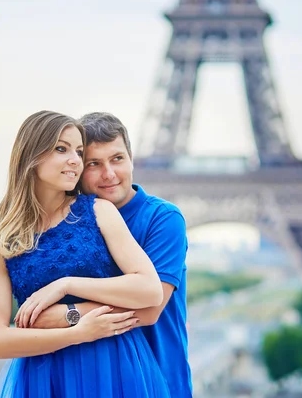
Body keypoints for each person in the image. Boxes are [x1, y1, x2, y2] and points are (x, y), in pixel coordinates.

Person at [0, 110, 171, 397]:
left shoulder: (98, 211)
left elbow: (150, 290)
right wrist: (76, 333)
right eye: (61, 149)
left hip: (114, 366)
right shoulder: (2, 240)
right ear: (31, 157)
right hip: (46, 377)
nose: (75, 160)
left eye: (79, 151)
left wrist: (65, 285)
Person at [30, 112, 193, 397]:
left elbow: (149, 309)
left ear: (131, 158)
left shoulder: (163, 219)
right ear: (78, 169)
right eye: (94, 164)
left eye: (117, 159)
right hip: (87, 382)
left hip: (156, 379)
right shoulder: (65, 225)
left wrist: (64, 312)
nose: (109, 174)